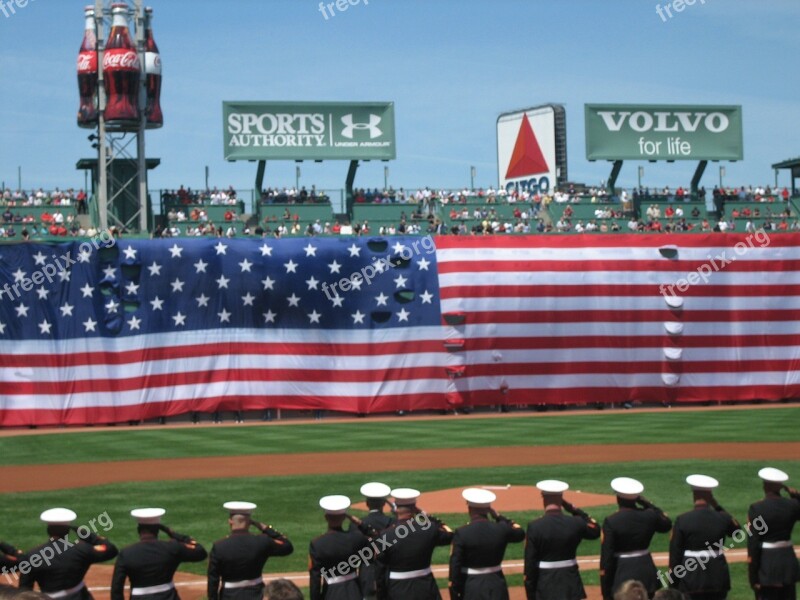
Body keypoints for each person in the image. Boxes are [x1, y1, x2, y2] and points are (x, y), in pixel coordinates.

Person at [524, 480, 600, 600]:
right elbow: (595, 530)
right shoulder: (576, 522)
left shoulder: (535, 526)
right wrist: (573, 509)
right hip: (571, 582)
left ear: (543, 498)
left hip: (545, 583)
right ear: (561, 499)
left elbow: (530, 564)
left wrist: (530, 593)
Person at [19, 508, 117, 600]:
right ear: (67, 531)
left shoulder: (33, 555)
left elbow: (24, 590)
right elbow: (111, 550)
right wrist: (89, 536)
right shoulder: (81, 549)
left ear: (48, 530)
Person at [667, 475, 739, 600]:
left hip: (691, 579)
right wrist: (717, 506)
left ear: (694, 495)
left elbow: (675, 555)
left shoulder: (683, 520)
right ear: (710, 496)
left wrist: (672, 583)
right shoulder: (722, 518)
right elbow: (736, 531)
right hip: (717, 578)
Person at [601, 477, 672, 599]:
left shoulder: (612, 521)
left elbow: (607, 557)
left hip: (622, 570)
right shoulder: (649, 515)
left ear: (617, 498)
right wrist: (647, 503)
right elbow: (666, 524)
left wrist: (606, 588)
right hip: (647, 569)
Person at [111, 508, 206, 600]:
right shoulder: (172, 548)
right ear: (158, 530)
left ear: (139, 530)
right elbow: (200, 552)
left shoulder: (126, 553)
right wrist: (173, 534)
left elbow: (116, 588)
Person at [377, 488, 454, 600]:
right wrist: (427, 517)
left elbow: (379, 572)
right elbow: (450, 535)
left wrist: (381, 596)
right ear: (415, 508)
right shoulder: (430, 529)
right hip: (426, 588)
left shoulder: (385, 535)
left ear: (396, 509)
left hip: (397, 590)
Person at [448, 488, 525, 600]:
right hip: (497, 584)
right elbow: (520, 533)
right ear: (488, 509)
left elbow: (455, 565)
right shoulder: (501, 529)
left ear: (469, 508)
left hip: (471, 586)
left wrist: (455, 591)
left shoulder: (462, 532)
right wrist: (498, 517)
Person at [207, 502, 293, 600]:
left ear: (230, 521)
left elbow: (213, 579)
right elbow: (287, 546)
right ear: (249, 522)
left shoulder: (219, 546)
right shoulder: (262, 541)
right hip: (256, 594)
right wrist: (264, 527)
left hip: (229, 596)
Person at [747, 467, 800, 600]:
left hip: (767, 567)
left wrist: (753, 578)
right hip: (788, 565)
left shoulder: (757, 508)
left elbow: (753, 544)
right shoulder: (793, 505)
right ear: (781, 486)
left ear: (765, 486)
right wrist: (796, 496)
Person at [308, 495, 374, 600]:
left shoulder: (318, 543)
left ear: (326, 517)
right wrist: (361, 524)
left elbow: (315, 578)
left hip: (330, 593)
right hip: (354, 591)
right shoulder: (356, 538)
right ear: (344, 517)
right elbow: (372, 548)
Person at [357, 483, 394, 600]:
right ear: (384, 503)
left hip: (366, 574)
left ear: (367, 504)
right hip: (388, 574)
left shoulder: (357, 525)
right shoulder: (393, 523)